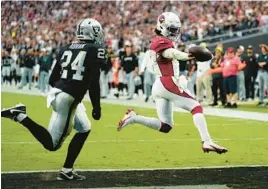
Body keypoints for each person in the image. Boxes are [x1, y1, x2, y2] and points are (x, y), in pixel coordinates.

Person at [1, 18, 106, 180]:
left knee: (84, 128)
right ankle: (19, 115)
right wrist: (96, 108)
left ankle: (67, 170)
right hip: (68, 98)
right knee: (52, 145)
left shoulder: (65, 48)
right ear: (91, 32)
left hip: (61, 93)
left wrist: (66, 88)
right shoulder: (95, 49)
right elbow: (93, 83)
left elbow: (52, 78)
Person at [117, 12, 227, 154]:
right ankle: (207, 141)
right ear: (162, 27)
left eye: (176, 29)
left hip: (159, 85)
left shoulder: (156, 41)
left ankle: (134, 118)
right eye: (172, 29)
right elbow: (170, 53)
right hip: (167, 81)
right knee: (196, 108)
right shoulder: (162, 42)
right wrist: (187, 56)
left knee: (165, 126)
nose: (175, 32)